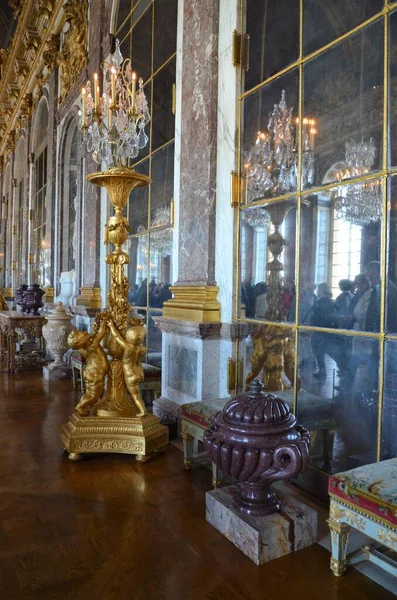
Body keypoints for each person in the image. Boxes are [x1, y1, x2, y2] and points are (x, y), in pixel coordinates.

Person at [68, 317, 109, 415]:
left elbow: (93, 336)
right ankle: (80, 406)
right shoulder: (93, 345)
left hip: (89, 371)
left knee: (88, 392)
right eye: (82, 333)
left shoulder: (83, 348)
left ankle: (84, 405)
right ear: (82, 340)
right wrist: (105, 321)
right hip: (96, 372)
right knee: (94, 395)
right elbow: (102, 332)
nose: (85, 332)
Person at [108, 318, 147, 417]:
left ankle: (143, 411)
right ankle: (140, 409)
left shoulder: (128, 347)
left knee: (135, 396)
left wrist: (111, 326)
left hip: (130, 374)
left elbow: (117, 337)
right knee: (137, 394)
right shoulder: (143, 348)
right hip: (139, 372)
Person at [310, 283, 336, 380]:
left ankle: (323, 371)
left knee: (319, 351)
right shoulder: (327, 300)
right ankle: (322, 370)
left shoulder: (324, 300)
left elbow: (318, 314)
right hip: (322, 329)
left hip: (320, 330)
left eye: (319, 290)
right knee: (319, 351)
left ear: (322, 290)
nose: (317, 292)